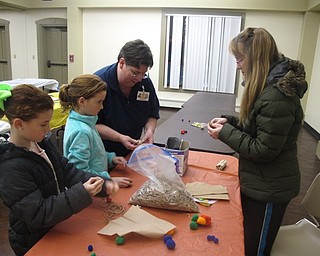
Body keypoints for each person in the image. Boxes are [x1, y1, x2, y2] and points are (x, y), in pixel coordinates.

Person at [207, 27, 308, 255]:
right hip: (262, 182)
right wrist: (230, 121)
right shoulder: (267, 86)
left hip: (270, 189)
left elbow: (263, 150)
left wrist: (224, 133)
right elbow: (257, 126)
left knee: (256, 249)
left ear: (256, 59)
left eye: (240, 59)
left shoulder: (277, 95)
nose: (238, 65)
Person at [0, 84, 119, 256]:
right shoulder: (10, 167)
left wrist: (101, 185)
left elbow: (67, 170)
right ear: (19, 124)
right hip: (33, 240)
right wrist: (82, 193)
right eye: (43, 124)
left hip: (55, 226)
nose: (49, 129)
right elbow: (38, 213)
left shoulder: (40, 142)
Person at [59, 74, 133, 187]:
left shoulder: (85, 121)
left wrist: (110, 158)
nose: (102, 107)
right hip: (91, 189)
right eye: (99, 102)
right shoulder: (81, 131)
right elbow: (80, 173)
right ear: (82, 101)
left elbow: (93, 153)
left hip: (96, 184)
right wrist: (108, 180)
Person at [94, 39, 160, 156]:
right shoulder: (98, 83)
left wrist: (149, 131)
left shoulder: (145, 82)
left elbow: (152, 113)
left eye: (143, 74)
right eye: (135, 73)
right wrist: (120, 137)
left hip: (132, 151)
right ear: (122, 63)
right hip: (104, 154)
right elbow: (92, 124)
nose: (139, 79)